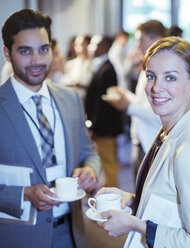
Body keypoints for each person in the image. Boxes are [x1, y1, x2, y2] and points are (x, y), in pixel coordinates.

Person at [95, 36, 190, 247]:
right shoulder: (168, 131)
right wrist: (133, 198)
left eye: (170, 78)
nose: (155, 88)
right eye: (151, 76)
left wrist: (136, 225)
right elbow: (174, 203)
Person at [0, 9, 101, 248]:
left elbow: (89, 152)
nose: (37, 60)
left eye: (44, 49)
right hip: (18, 237)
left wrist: (90, 170)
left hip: (71, 231)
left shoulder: (70, 99)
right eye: (25, 51)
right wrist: (24, 193)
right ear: (7, 54)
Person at [107, 20, 165, 179]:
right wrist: (125, 95)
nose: (137, 45)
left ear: (157, 40)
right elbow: (143, 101)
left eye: (141, 40)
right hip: (139, 139)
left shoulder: (164, 70)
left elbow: (159, 112)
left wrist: (128, 106)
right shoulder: (147, 65)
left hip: (152, 143)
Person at [85, 35, 123, 187]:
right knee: (105, 163)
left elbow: (102, 104)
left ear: (104, 47)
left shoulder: (107, 69)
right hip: (102, 126)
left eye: (94, 45)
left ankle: (112, 196)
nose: (90, 48)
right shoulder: (101, 66)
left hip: (105, 127)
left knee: (108, 163)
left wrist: (93, 126)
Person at [62, 34, 93, 100]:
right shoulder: (69, 64)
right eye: (77, 45)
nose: (79, 48)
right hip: (72, 99)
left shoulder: (94, 64)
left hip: (89, 100)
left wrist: (79, 85)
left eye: (82, 45)